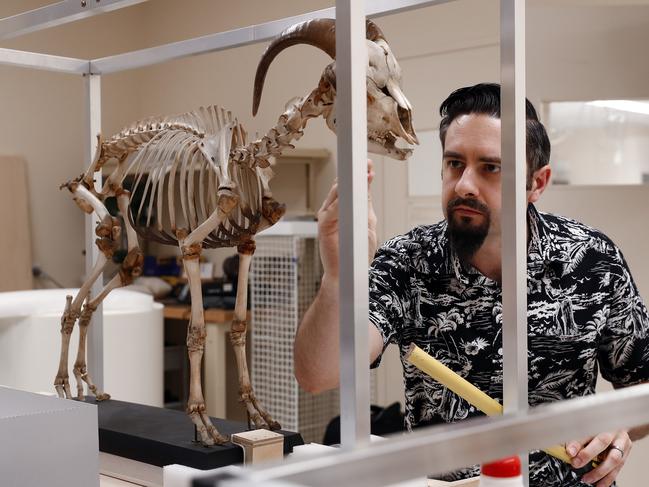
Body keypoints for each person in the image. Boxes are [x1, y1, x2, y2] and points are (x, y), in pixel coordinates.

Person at [294, 83, 649, 486]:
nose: (464, 184)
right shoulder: (407, 262)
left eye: (490, 168)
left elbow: (641, 384)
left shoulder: (592, 259)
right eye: (454, 164)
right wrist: (339, 276)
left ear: (537, 183)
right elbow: (318, 373)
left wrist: (615, 428)